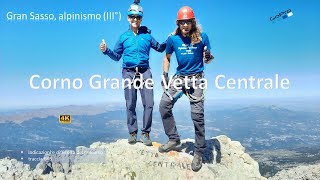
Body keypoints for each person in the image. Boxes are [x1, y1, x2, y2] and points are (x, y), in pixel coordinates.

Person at [99, 2, 166, 146]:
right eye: (132, 17)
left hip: (144, 71)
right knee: (130, 103)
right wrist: (106, 50)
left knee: (149, 103)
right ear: (128, 18)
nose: (135, 19)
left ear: (141, 19)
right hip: (128, 72)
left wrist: (171, 39)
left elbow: (160, 48)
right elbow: (117, 56)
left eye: (138, 17)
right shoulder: (124, 37)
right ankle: (133, 133)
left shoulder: (147, 36)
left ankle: (146, 133)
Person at [158, 6, 214, 172]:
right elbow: (167, 57)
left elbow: (208, 58)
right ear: (178, 23)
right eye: (182, 22)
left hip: (197, 79)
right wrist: (165, 75)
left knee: (197, 116)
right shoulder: (173, 39)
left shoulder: (203, 37)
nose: (185, 25)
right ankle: (174, 139)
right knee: (164, 105)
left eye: (188, 22)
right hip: (180, 77)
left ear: (192, 22)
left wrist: (208, 57)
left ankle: (198, 152)